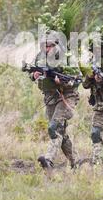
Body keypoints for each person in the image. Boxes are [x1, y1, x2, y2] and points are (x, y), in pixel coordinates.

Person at [28, 33, 81, 170]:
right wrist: (34, 75)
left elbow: (76, 80)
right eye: (45, 46)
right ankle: (76, 162)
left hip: (67, 97)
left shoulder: (67, 59)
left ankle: (49, 160)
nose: (48, 48)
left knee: (54, 128)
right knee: (61, 133)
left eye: (51, 45)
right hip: (50, 98)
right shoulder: (40, 57)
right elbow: (32, 71)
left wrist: (62, 81)